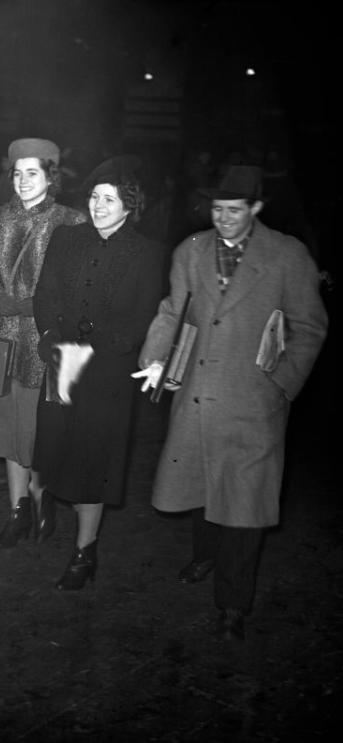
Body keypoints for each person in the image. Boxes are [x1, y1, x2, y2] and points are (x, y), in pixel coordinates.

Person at [134, 165, 327, 640]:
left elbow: (309, 326)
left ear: (256, 209)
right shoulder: (191, 251)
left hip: (252, 401)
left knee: (243, 504)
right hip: (196, 393)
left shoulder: (287, 255)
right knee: (203, 484)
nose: (222, 219)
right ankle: (204, 556)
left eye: (234, 211)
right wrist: (157, 360)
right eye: (217, 210)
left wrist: (279, 383)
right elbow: (170, 311)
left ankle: (233, 603)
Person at [33, 155, 166, 590]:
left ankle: (84, 551)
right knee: (51, 448)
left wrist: (102, 337)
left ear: (130, 205)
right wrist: (54, 332)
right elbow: (45, 294)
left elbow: (146, 313)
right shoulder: (66, 238)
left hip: (108, 371)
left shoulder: (145, 253)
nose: (99, 206)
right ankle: (45, 502)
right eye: (94, 197)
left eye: (109, 199)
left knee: (94, 461)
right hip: (63, 361)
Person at [0, 138, 86, 548]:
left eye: (32, 173)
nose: (22, 181)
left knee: (40, 429)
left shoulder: (71, 221)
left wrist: (38, 306)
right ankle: (16, 509)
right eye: (17, 173)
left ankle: (42, 498)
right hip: (3, 338)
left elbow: (77, 285)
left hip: (45, 342)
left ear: (51, 176)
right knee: (6, 427)